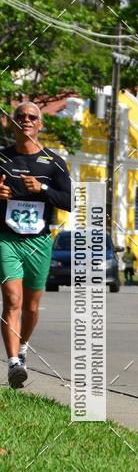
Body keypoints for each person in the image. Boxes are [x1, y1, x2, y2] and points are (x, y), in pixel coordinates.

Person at [0, 102, 72, 388]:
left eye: (32, 117)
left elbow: (69, 202)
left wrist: (41, 189)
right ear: (12, 123)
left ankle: (24, 345)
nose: (26, 120)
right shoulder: (2, 158)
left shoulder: (53, 162)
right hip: (6, 238)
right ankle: (14, 362)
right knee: (12, 301)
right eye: (20, 116)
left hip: (39, 242)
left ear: (40, 124)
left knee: (31, 308)